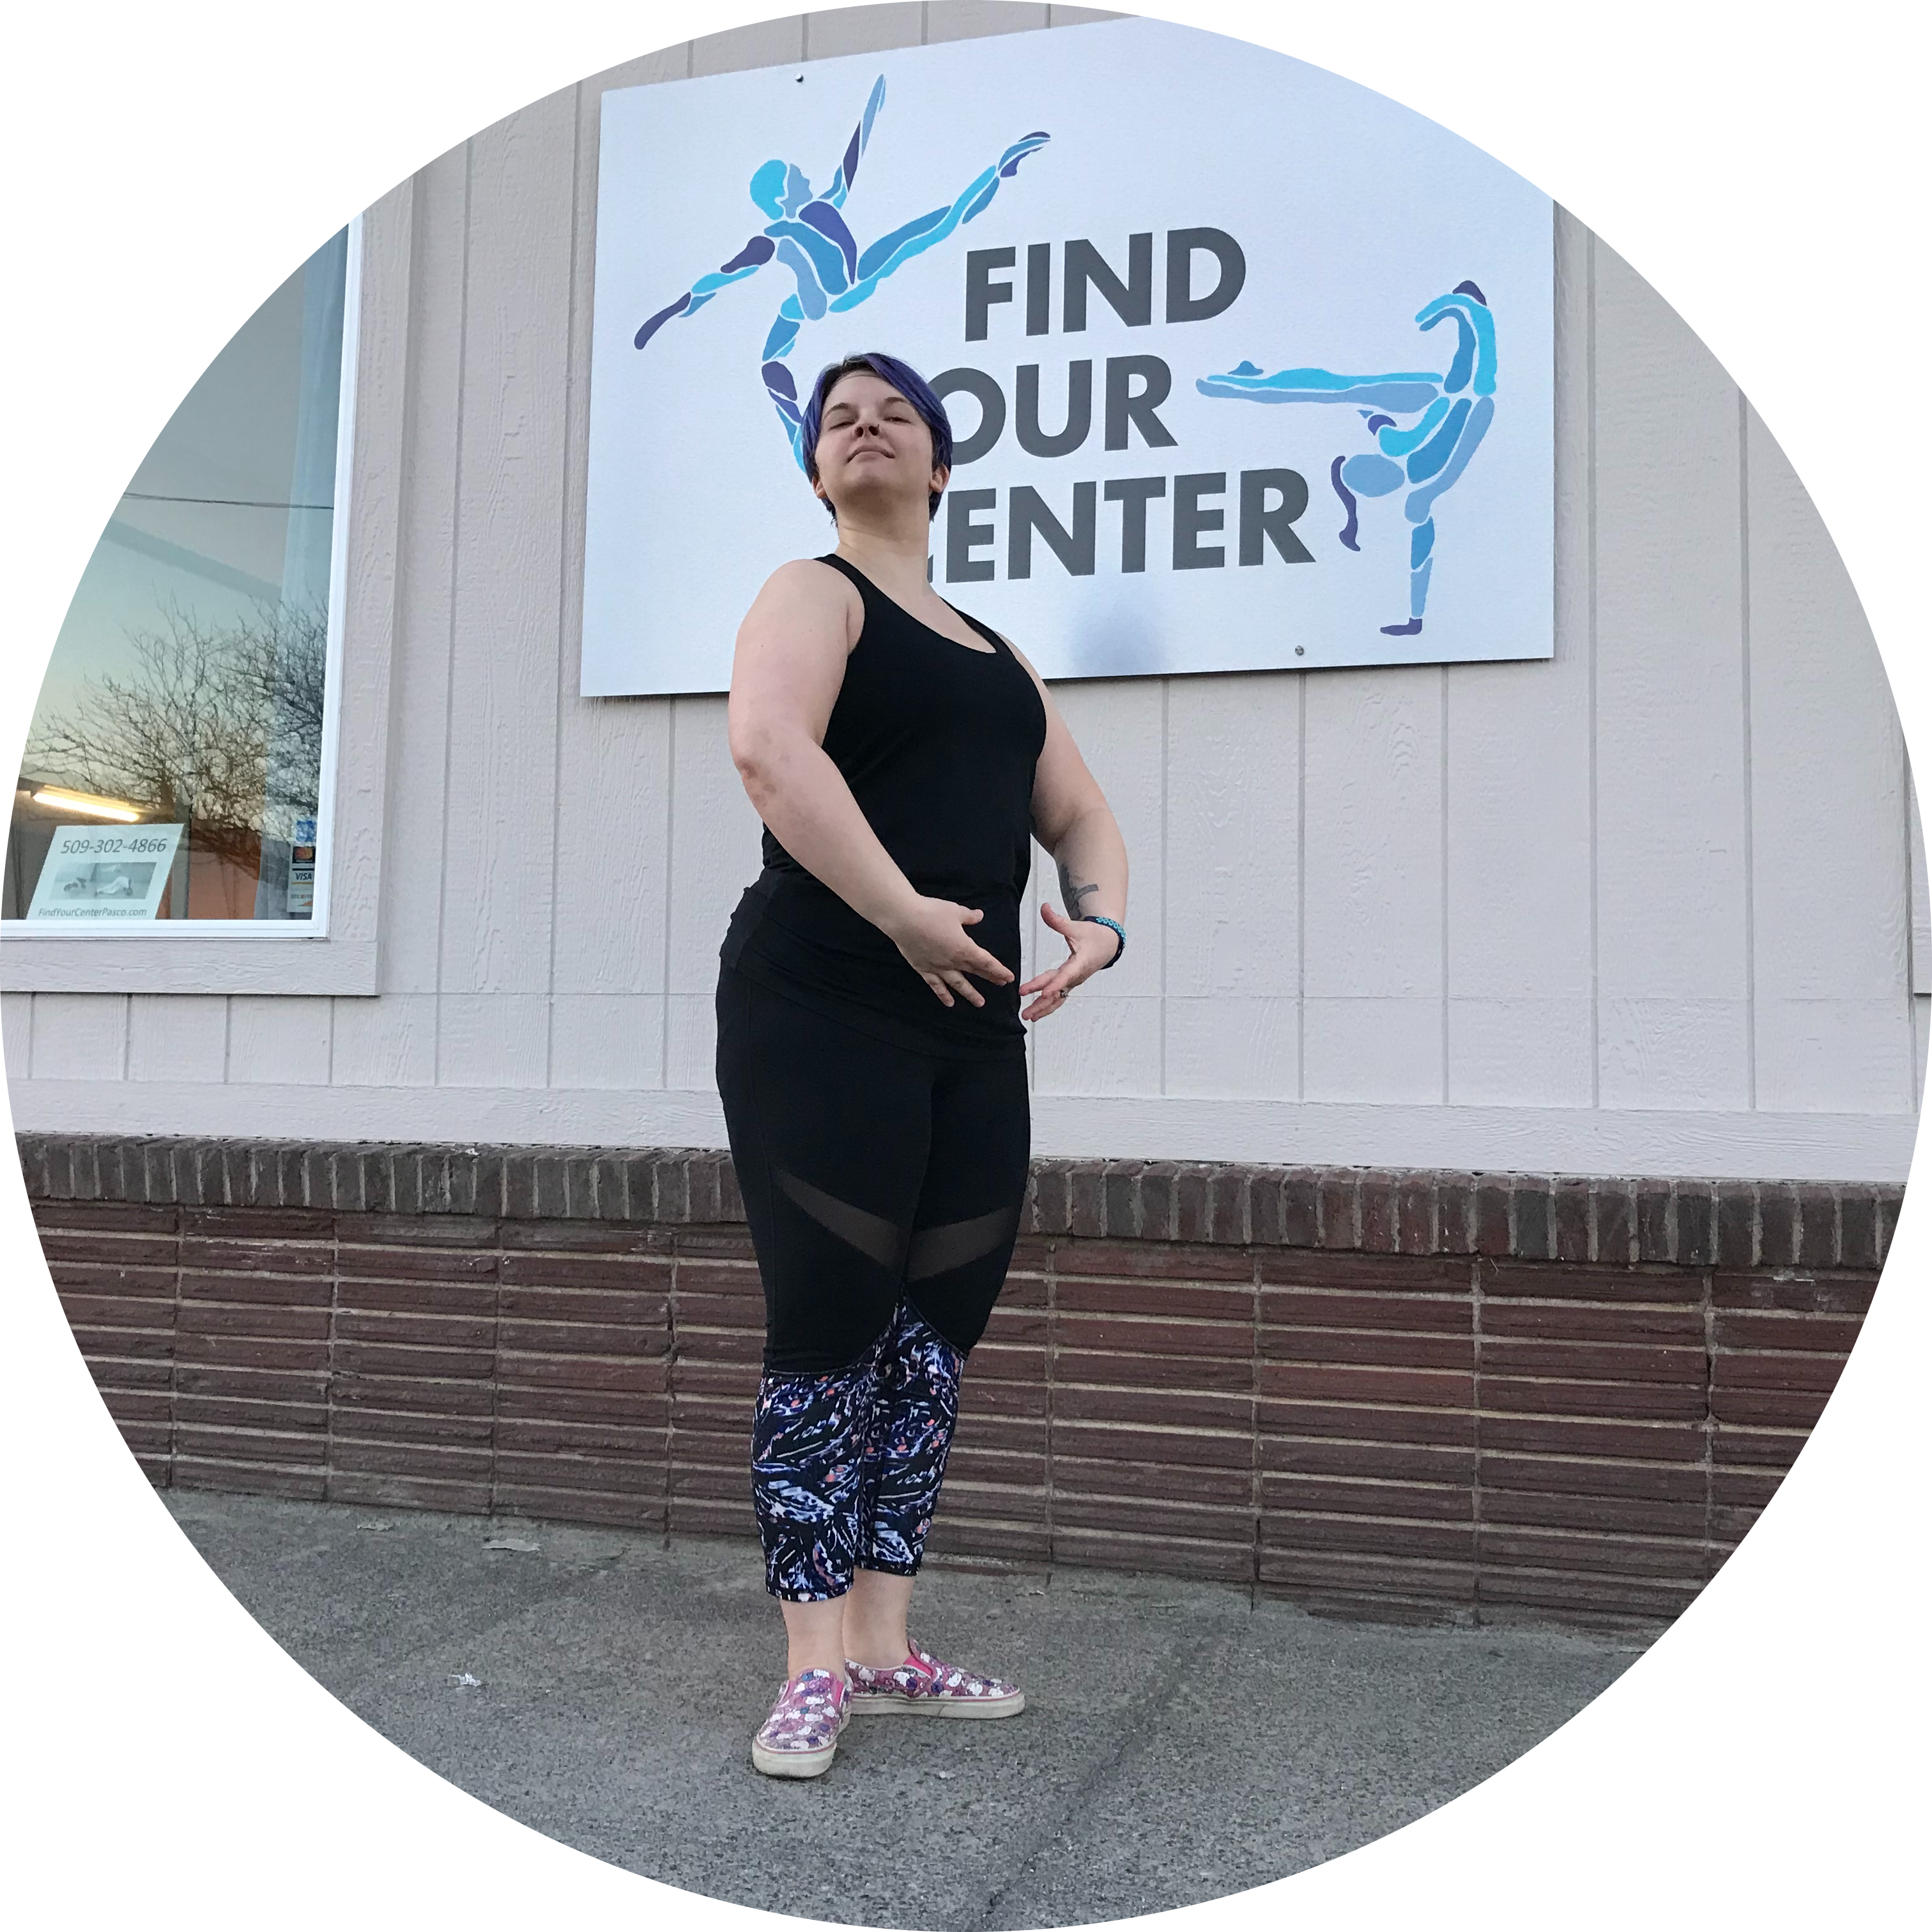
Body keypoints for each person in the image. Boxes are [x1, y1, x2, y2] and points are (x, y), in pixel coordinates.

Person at [715, 350, 1130, 1779]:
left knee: (933, 1339)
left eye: (899, 414)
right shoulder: (811, 595)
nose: (868, 427)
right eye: (841, 418)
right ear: (817, 470)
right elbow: (771, 750)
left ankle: (886, 1648)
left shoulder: (997, 652)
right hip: (820, 1007)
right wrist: (897, 911)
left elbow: (1080, 815)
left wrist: (1104, 922)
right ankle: (811, 1664)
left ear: (942, 466)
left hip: (972, 1026)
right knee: (827, 1330)